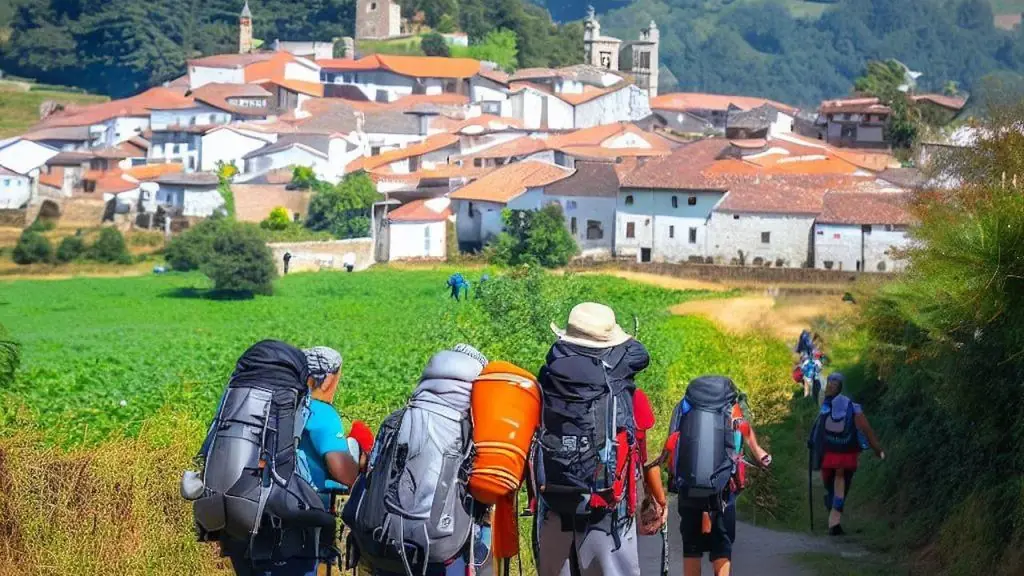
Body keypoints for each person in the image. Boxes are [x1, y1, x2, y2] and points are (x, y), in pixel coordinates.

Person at [534, 302, 659, 576]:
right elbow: (642, 454)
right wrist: (653, 499)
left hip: (554, 501)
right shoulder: (620, 383)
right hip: (607, 507)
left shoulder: (549, 378)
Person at [221, 346, 362, 576]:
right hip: (293, 528)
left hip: (244, 516)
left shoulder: (264, 407)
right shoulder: (321, 413)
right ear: (327, 380)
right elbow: (343, 473)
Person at [662, 377, 772, 576]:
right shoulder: (730, 407)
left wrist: (671, 475)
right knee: (722, 544)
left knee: (691, 545)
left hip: (689, 485)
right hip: (723, 487)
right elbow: (744, 430)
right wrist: (759, 453)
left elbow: (671, 442)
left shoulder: (685, 406)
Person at [810, 372, 885, 536]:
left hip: (828, 455)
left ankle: (833, 514)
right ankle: (834, 519)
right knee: (842, 485)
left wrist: (815, 448)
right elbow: (867, 429)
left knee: (832, 484)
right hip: (847, 455)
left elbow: (818, 432)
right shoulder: (853, 407)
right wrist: (878, 450)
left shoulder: (826, 407)